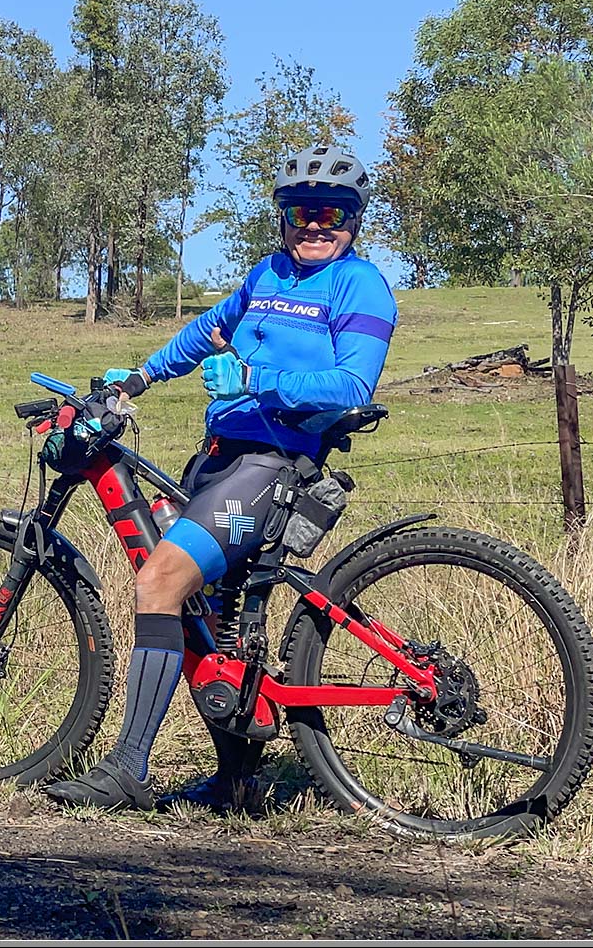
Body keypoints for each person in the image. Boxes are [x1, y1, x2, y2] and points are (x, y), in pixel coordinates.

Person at [43, 144, 399, 813]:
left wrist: (256, 379)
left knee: (160, 580)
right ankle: (236, 783)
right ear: (283, 217)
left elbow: (352, 381)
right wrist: (140, 377)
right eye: (302, 212)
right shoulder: (266, 274)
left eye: (333, 213)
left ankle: (128, 770)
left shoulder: (360, 285)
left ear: (354, 219)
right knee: (212, 621)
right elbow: (206, 333)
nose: (317, 225)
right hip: (219, 459)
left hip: (273, 466)